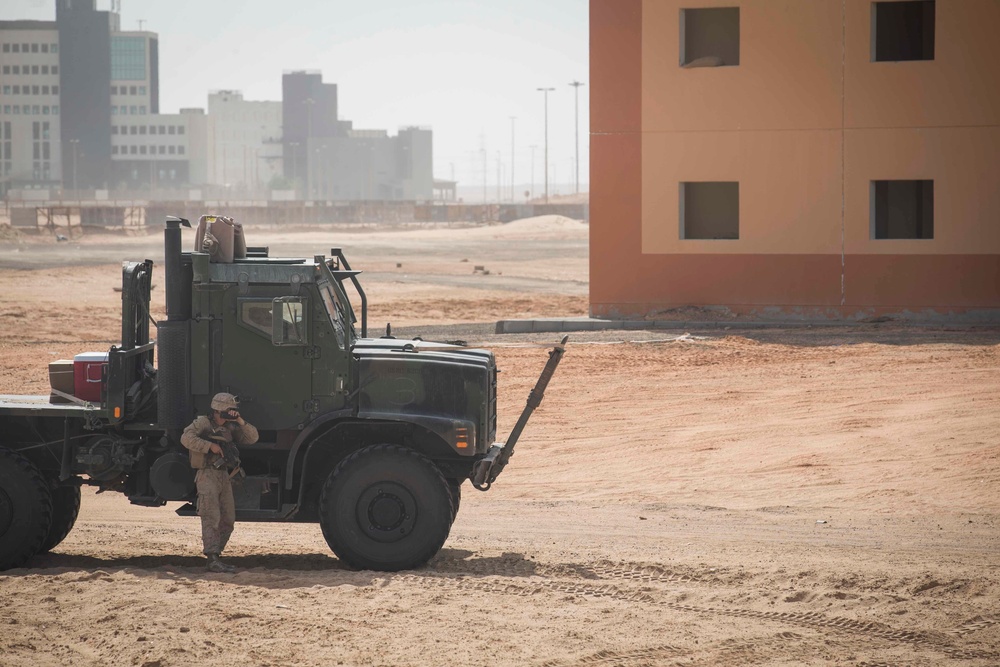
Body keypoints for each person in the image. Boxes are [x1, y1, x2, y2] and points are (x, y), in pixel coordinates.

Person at [180, 392, 258, 573]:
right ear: (218, 410)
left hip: (224, 475)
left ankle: (217, 554)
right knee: (211, 517)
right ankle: (212, 557)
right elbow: (186, 438)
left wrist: (239, 421)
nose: (231, 413)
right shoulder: (203, 423)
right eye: (229, 410)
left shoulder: (230, 427)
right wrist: (210, 446)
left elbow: (252, 437)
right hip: (207, 474)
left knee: (228, 519)